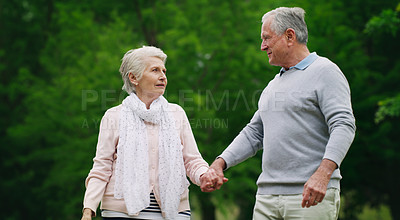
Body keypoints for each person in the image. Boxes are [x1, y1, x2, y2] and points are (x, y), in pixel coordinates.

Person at [201, 7, 356, 220]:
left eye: (267, 38)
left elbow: (343, 125)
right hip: (266, 197)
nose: (262, 46)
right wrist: (220, 163)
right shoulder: (273, 84)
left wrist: (323, 174)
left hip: (309, 196)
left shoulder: (325, 71)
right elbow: (254, 133)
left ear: (289, 36)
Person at [81, 46, 214, 220]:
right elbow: (101, 168)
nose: (163, 76)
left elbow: (192, 160)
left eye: (164, 71)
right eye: (155, 70)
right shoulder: (114, 116)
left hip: (174, 211)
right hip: (120, 211)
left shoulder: (177, 114)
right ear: (133, 77)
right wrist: (88, 209)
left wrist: (204, 175)